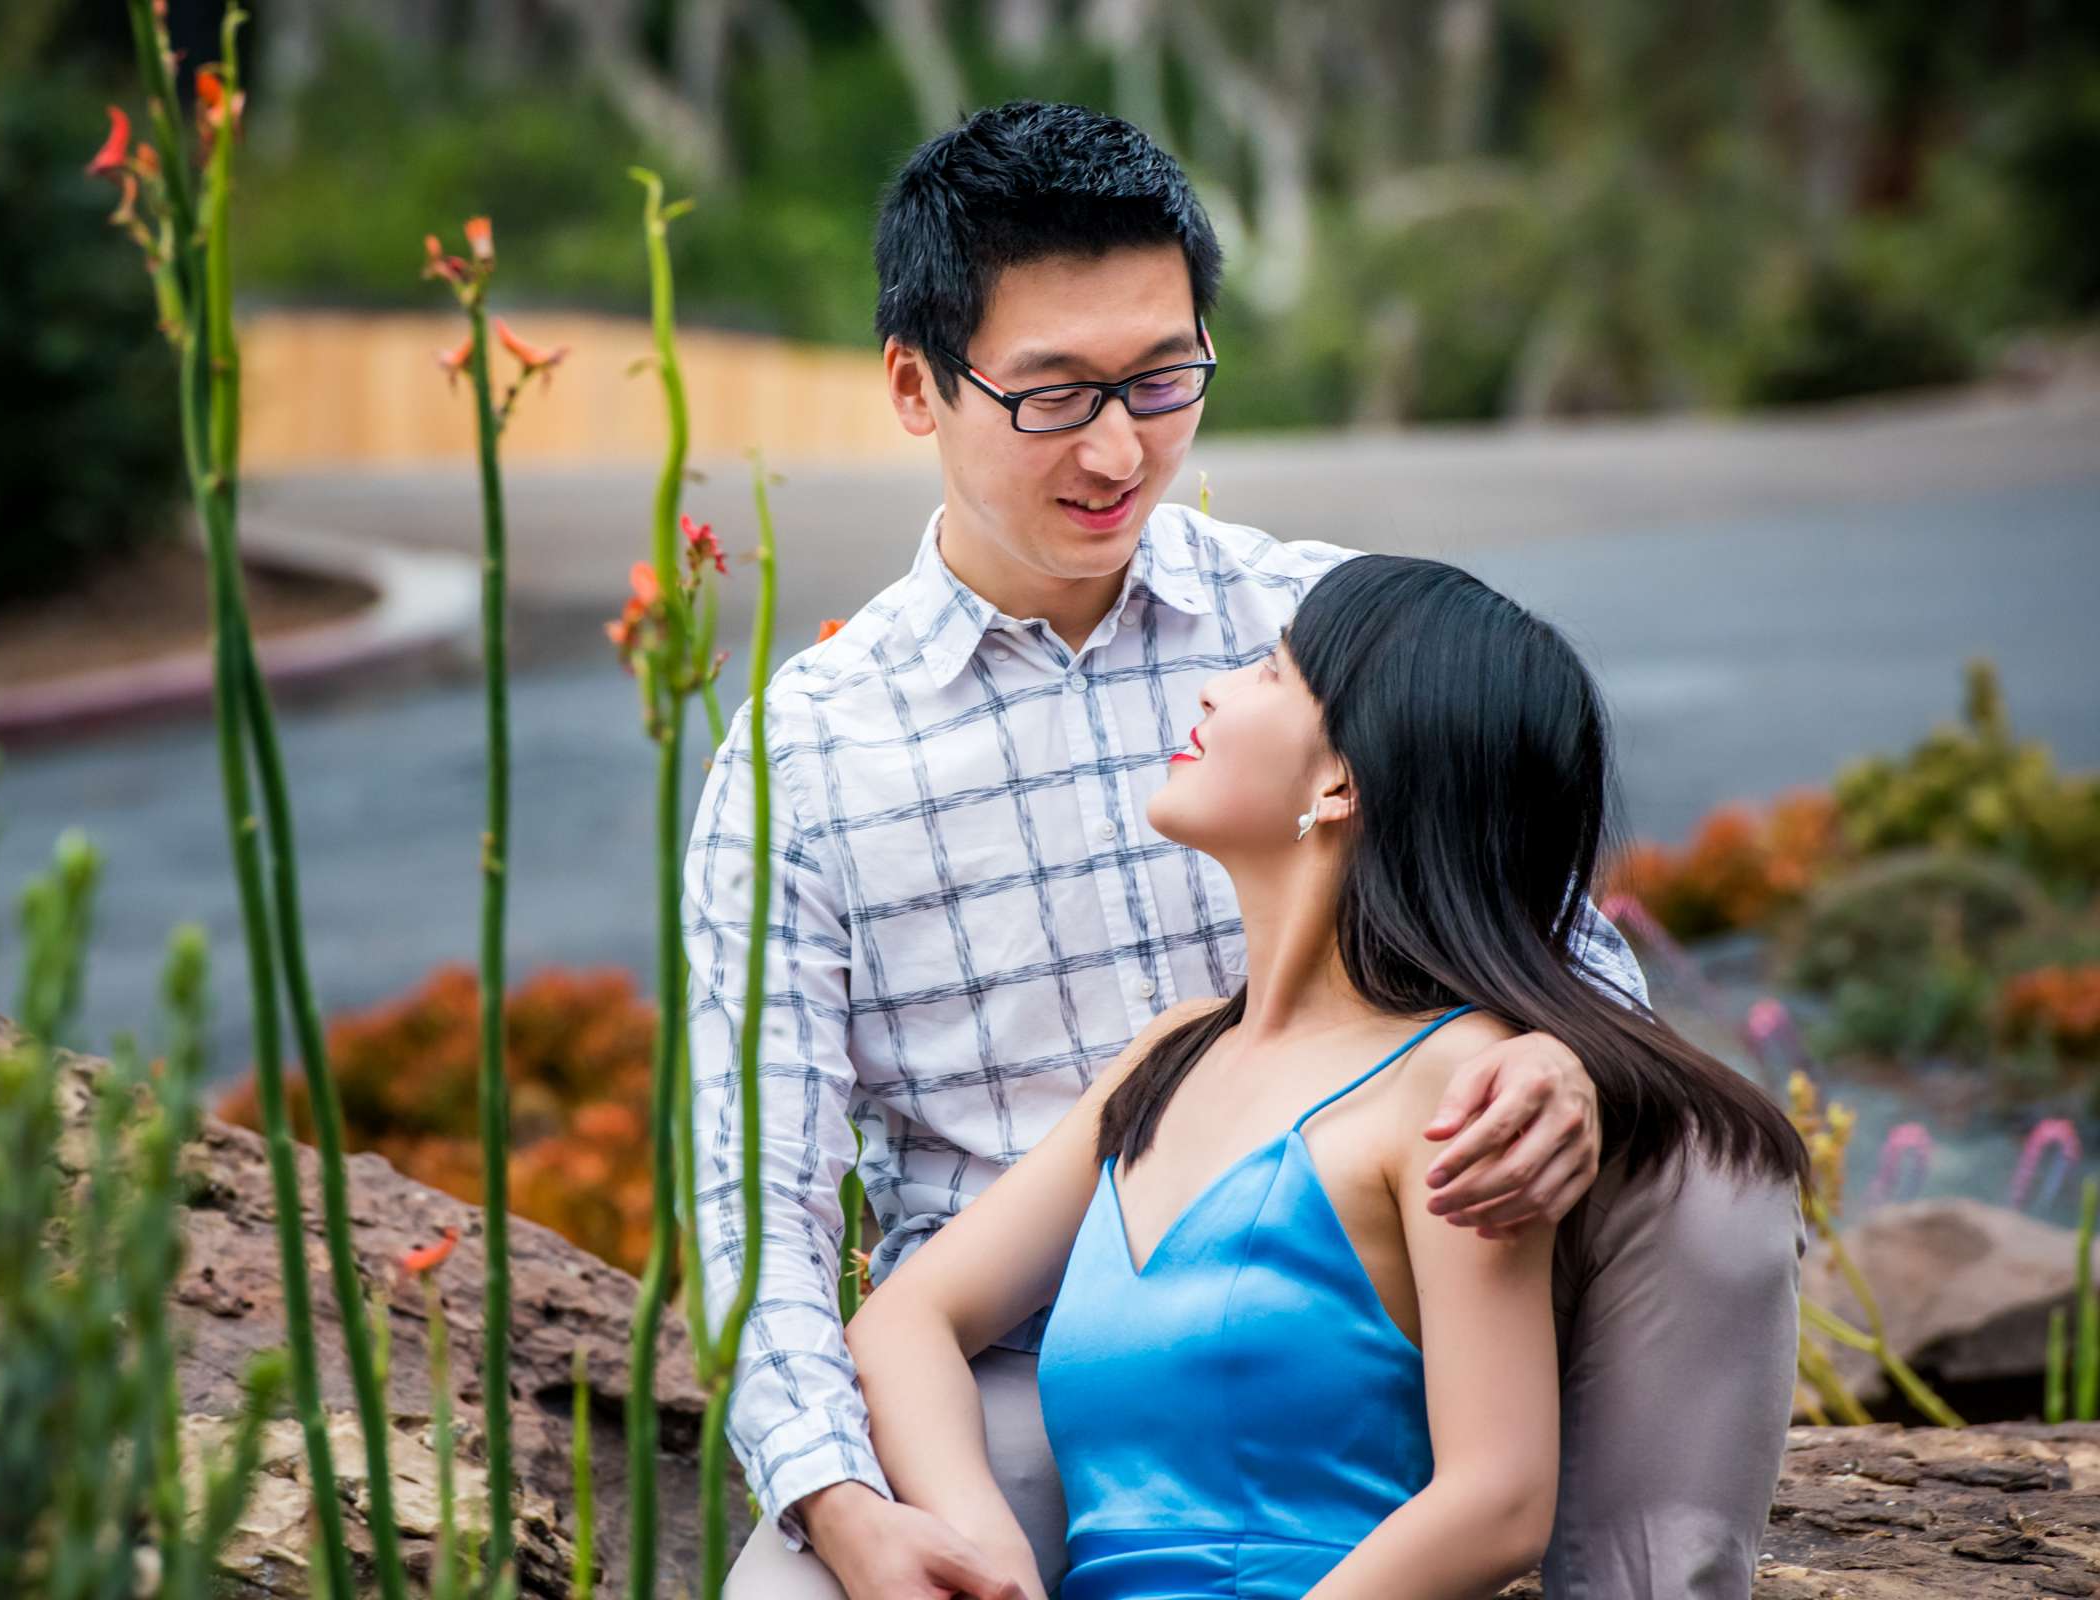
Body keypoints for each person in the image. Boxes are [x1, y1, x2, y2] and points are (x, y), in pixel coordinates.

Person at [684, 100, 1805, 1600]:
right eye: (1052, 395)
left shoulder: (1322, 625)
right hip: (1054, 1372)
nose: (1117, 446)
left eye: (1162, 378)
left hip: (1411, 1266)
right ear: (913, 384)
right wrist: (844, 1503)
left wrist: (1565, 1065)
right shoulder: (799, 763)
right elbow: (756, 1211)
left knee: (1716, 1182)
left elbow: (1530, 931)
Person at [842, 554, 1812, 1599]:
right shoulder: (1168, 1059)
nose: (1213, 687)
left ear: (1342, 779)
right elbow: (907, 1318)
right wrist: (987, 1547)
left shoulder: (1461, 1084)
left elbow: (1500, 1498)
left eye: (1270, 671)